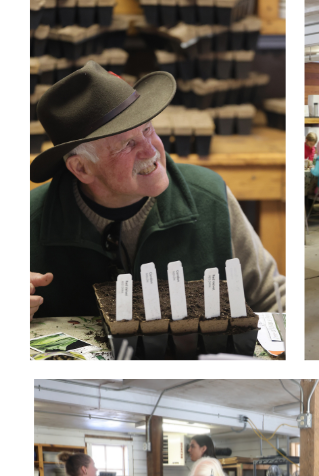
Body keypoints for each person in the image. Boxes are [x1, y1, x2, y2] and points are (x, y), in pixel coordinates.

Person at [29, 61, 285, 321]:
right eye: (127, 144)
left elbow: (273, 296)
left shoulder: (210, 195)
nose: (151, 150)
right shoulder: (28, 222)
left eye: (148, 129)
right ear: (81, 168)